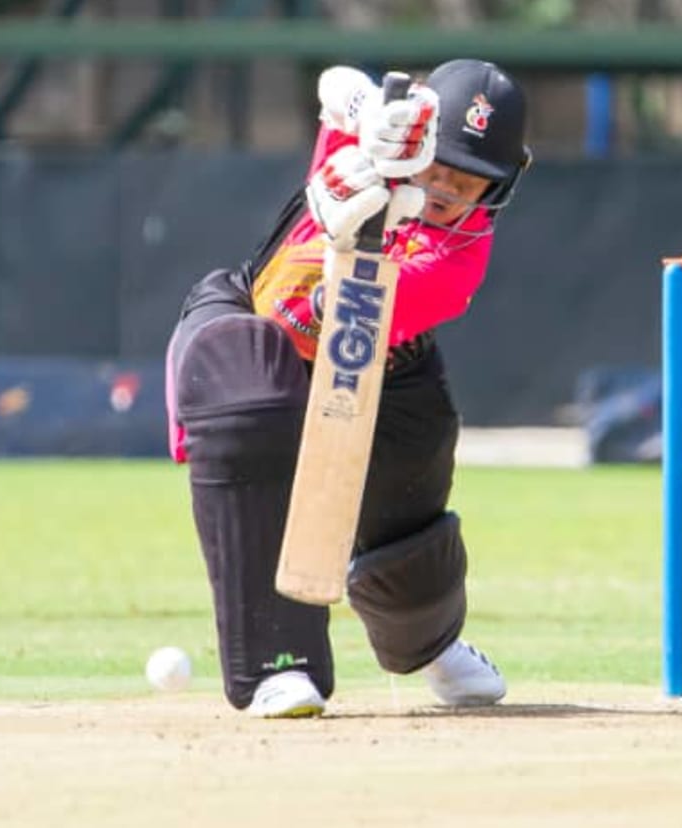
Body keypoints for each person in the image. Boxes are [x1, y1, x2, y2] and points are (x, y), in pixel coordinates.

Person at [165, 59, 531, 718]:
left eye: (469, 179)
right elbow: (333, 83)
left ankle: (429, 640)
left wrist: (350, 238)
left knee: (419, 443)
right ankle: (280, 663)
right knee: (251, 388)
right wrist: (366, 117)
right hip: (250, 317)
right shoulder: (383, 141)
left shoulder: (459, 258)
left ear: (498, 186)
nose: (447, 187)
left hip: (365, 349)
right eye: (438, 164)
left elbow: (339, 316)